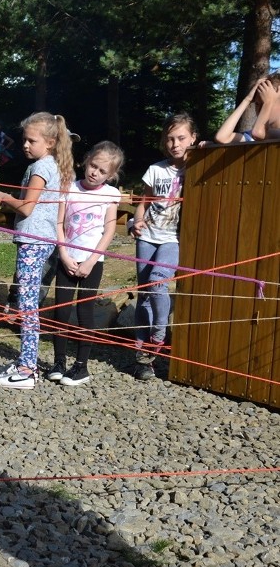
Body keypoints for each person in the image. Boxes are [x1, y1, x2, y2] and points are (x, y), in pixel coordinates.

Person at [0, 112, 75, 389]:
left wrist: (4, 197)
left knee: (27, 306)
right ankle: (27, 362)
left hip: (33, 241)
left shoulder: (40, 168)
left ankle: (27, 369)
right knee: (29, 304)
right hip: (43, 240)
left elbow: (27, 207)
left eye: (31, 140)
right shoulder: (56, 165)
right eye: (24, 140)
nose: (25, 145)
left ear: (49, 142)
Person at [47, 141, 124, 386]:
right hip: (67, 258)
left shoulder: (110, 194)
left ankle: (81, 366)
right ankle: (59, 362)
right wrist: (64, 255)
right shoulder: (68, 188)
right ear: (86, 160)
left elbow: (109, 229)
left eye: (102, 171)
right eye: (93, 166)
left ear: (111, 175)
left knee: (85, 312)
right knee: (61, 309)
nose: (94, 173)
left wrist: (91, 260)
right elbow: (58, 224)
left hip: (92, 261)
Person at [130, 113, 197, 381]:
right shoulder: (155, 169)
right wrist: (136, 221)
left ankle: (159, 334)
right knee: (144, 292)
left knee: (159, 282)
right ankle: (141, 358)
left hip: (173, 239)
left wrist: (205, 150)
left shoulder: (197, 167)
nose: (175, 144)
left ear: (193, 138)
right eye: (170, 138)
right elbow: (143, 202)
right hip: (147, 236)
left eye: (181, 138)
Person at [214, 75, 280, 144]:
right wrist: (247, 100)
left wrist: (268, 102)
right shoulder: (252, 134)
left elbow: (258, 133)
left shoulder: (258, 132)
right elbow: (222, 138)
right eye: (257, 104)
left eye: (264, 104)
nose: (261, 109)